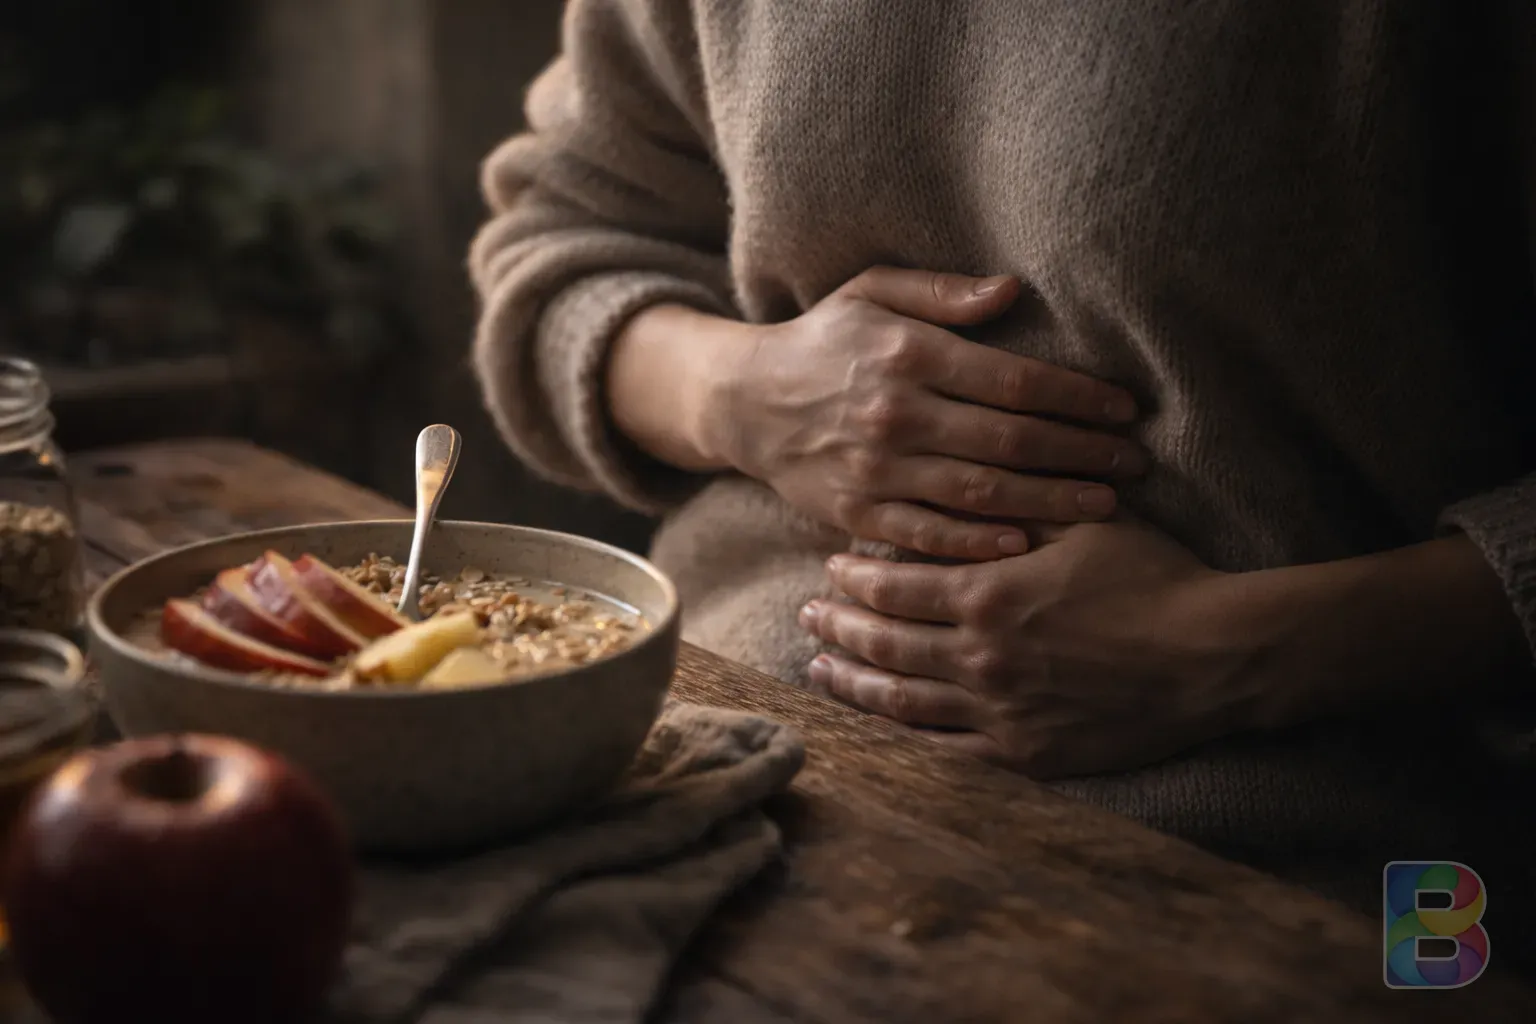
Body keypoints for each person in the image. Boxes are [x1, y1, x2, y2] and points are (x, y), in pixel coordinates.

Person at [470, 0, 1536, 961]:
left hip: (1332, 870)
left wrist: (1232, 658)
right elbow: (561, 240)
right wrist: (736, 392)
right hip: (695, 760)